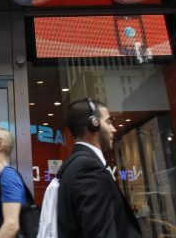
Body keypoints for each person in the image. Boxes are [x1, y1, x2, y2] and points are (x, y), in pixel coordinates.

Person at [56, 99, 141, 238]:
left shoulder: (76, 164)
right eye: (108, 122)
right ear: (93, 124)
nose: (113, 129)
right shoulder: (87, 169)